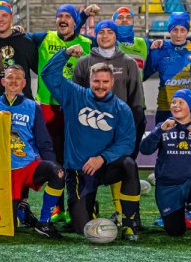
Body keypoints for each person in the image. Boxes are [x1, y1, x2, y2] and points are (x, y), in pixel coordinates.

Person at [42, 46, 141, 240]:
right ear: (89, 81)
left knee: (129, 165)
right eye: (96, 81)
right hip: (80, 170)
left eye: (105, 82)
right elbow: (48, 74)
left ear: (112, 82)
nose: (101, 86)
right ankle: (89, 207)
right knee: (83, 228)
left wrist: (102, 158)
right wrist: (65, 53)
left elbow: (127, 143)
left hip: (106, 166)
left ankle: (130, 223)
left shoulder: (122, 109)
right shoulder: (74, 95)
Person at [32, 3, 97, 224]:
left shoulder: (88, 44)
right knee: (55, 159)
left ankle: (82, 206)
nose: (62, 19)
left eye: (67, 16)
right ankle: (56, 208)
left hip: (77, 109)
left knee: (78, 158)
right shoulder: (44, 38)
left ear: (75, 21)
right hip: (49, 108)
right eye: (59, 15)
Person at [0, 65, 64, 239]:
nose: (13, 81)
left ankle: (44, 222)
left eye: (18, 78)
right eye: (10, 78)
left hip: (27, 165)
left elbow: (43, 140)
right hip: (1, 170)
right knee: (9, 227)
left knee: (57, 172)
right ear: (3, 81)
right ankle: (21, 211)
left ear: (24, 83)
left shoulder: (32, 107)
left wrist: (53, 162)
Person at [139, 89, 191, 242]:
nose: (176, 106)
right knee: (175, 231)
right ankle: (184, 219)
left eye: (180, 102)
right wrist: (159, 130)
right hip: (167, 187)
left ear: (190, 106)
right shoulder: (163, 126)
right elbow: (144, 149)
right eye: (174, 102)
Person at [73, 19, 145, 161]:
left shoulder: (129, 63)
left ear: (116, 36)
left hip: (119, 127)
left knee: (122, 166)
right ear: (96, 35)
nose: (105, 36)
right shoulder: (83, 62)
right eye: (101, 32)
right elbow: (76, 98)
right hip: (90, 127)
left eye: (110, 32)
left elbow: (136, 101)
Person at [144, 11, 191, 126]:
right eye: (174, 30)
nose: (178, 35)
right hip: (167, 108)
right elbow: (142, 75)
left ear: (187, 31)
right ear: (169, 30)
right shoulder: (159, 49)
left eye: (182, 30)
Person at [0, 1, 41, 103]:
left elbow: (39, 70)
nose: (1, 19)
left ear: (11, 17)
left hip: (23, 105)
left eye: (5, 15)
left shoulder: (26, 42)